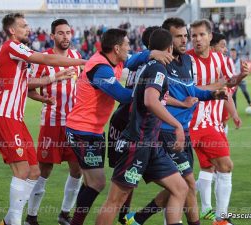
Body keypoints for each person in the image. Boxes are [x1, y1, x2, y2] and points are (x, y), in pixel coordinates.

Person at [65, 28, 172, 225]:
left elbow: (132, 60)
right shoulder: (100, 69)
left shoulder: (114, 59)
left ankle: (76, 221)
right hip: (81, 131)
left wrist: (151, 53)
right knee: (97, 182)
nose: (129, 48)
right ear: (116, 48)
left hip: (94, 131)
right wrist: (152, 95)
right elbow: (122, 96)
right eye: (126, 45)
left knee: (91, 182)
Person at [0, 13, 85, 225]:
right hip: (5, 116)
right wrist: (83, 61)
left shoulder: (17, 52)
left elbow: (27, 82)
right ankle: (17, 221)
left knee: (34, 171)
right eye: (23, 26)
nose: (28, 29)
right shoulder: (12, 46)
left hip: (17, 118)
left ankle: (8, 221)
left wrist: (54, 78)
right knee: (25, 171)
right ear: (12, 30)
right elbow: (46, 59)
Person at [95, 28, 188, 225]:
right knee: (116, 200)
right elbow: (151, 101)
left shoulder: (149, 65)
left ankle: (139, 218)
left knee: (180, 187)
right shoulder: (156, 68)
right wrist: (177, 125)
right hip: (137, 143)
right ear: (169, 47)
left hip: (151, 144)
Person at [187, 19, 249, 225]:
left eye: (201, 35)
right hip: (186, 125)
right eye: (193, 35)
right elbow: (189, 91)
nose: (197, 39)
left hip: (210, 124)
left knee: (225, 165)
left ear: (210, 36)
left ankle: (221, 218)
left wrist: (240, 76)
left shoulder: (219, 59)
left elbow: (228, 83)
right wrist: (217, 84)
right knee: (177, 181)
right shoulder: (185, 60)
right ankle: (161, 218)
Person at [24, 19, 83, 225]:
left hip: (75, 124)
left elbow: (82, 85)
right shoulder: (43, 59)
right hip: (51, 122)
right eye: (60, 33)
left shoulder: (76, 57)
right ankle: (31, 216)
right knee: (44, 170)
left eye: (68, 32)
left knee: (77, 169)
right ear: (52, 36)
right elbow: (28, 86)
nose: (65, 36)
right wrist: (44, 97)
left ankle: (64, 214)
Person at [107, 25, 160, 225]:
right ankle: (125, 217)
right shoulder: (152, 63)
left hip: (121, 119)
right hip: (133, 123)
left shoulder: (137, 59)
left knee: (123, 176)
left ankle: (124, 216)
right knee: (124, 178)